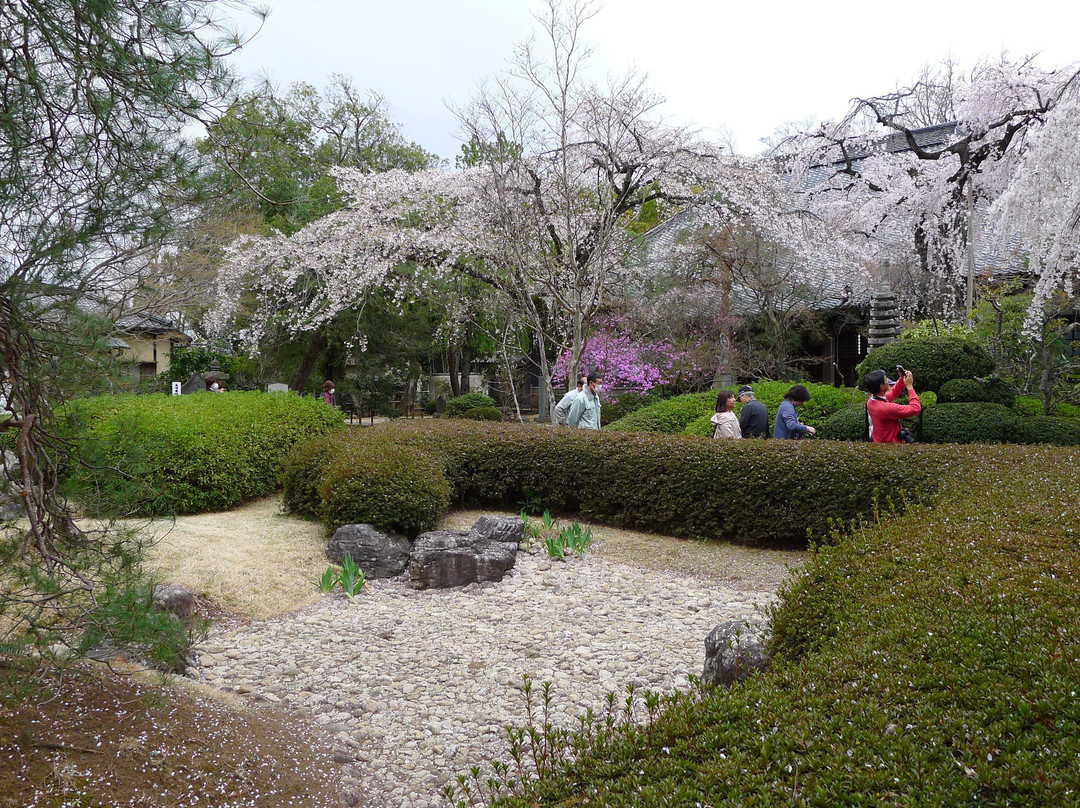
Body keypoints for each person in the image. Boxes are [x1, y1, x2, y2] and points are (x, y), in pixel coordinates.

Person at [864, 367, 921, 443]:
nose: (888, 381)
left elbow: (894, 392)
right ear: (882, 387)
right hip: (893, 446)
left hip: (880, 443)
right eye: (885, 379)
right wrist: (910, 387)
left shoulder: (871, 400)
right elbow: (915, 408)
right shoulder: (886, 408)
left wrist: (902, 378)